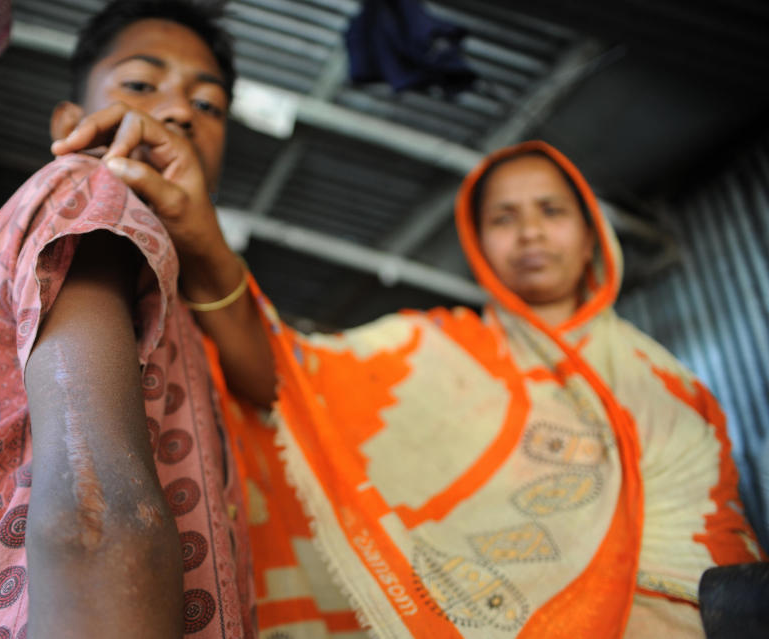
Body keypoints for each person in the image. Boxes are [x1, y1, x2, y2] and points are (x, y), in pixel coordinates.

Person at [211, 141, 765, 637]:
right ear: (477, 246)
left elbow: (712, 537)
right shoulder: (423, 352)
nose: (530, 232)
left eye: (551, 211)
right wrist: (203, 255)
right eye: (504, 217)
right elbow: (287, 373)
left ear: (591, 232)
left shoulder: (667, 386)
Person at [0, 2, 275, 638]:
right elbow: (96, 512)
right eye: (140, 83)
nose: (180, 111)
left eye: (209, 105)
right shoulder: (95, 195)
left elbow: (268, 384)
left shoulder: (183, 281)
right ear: (70, 122)